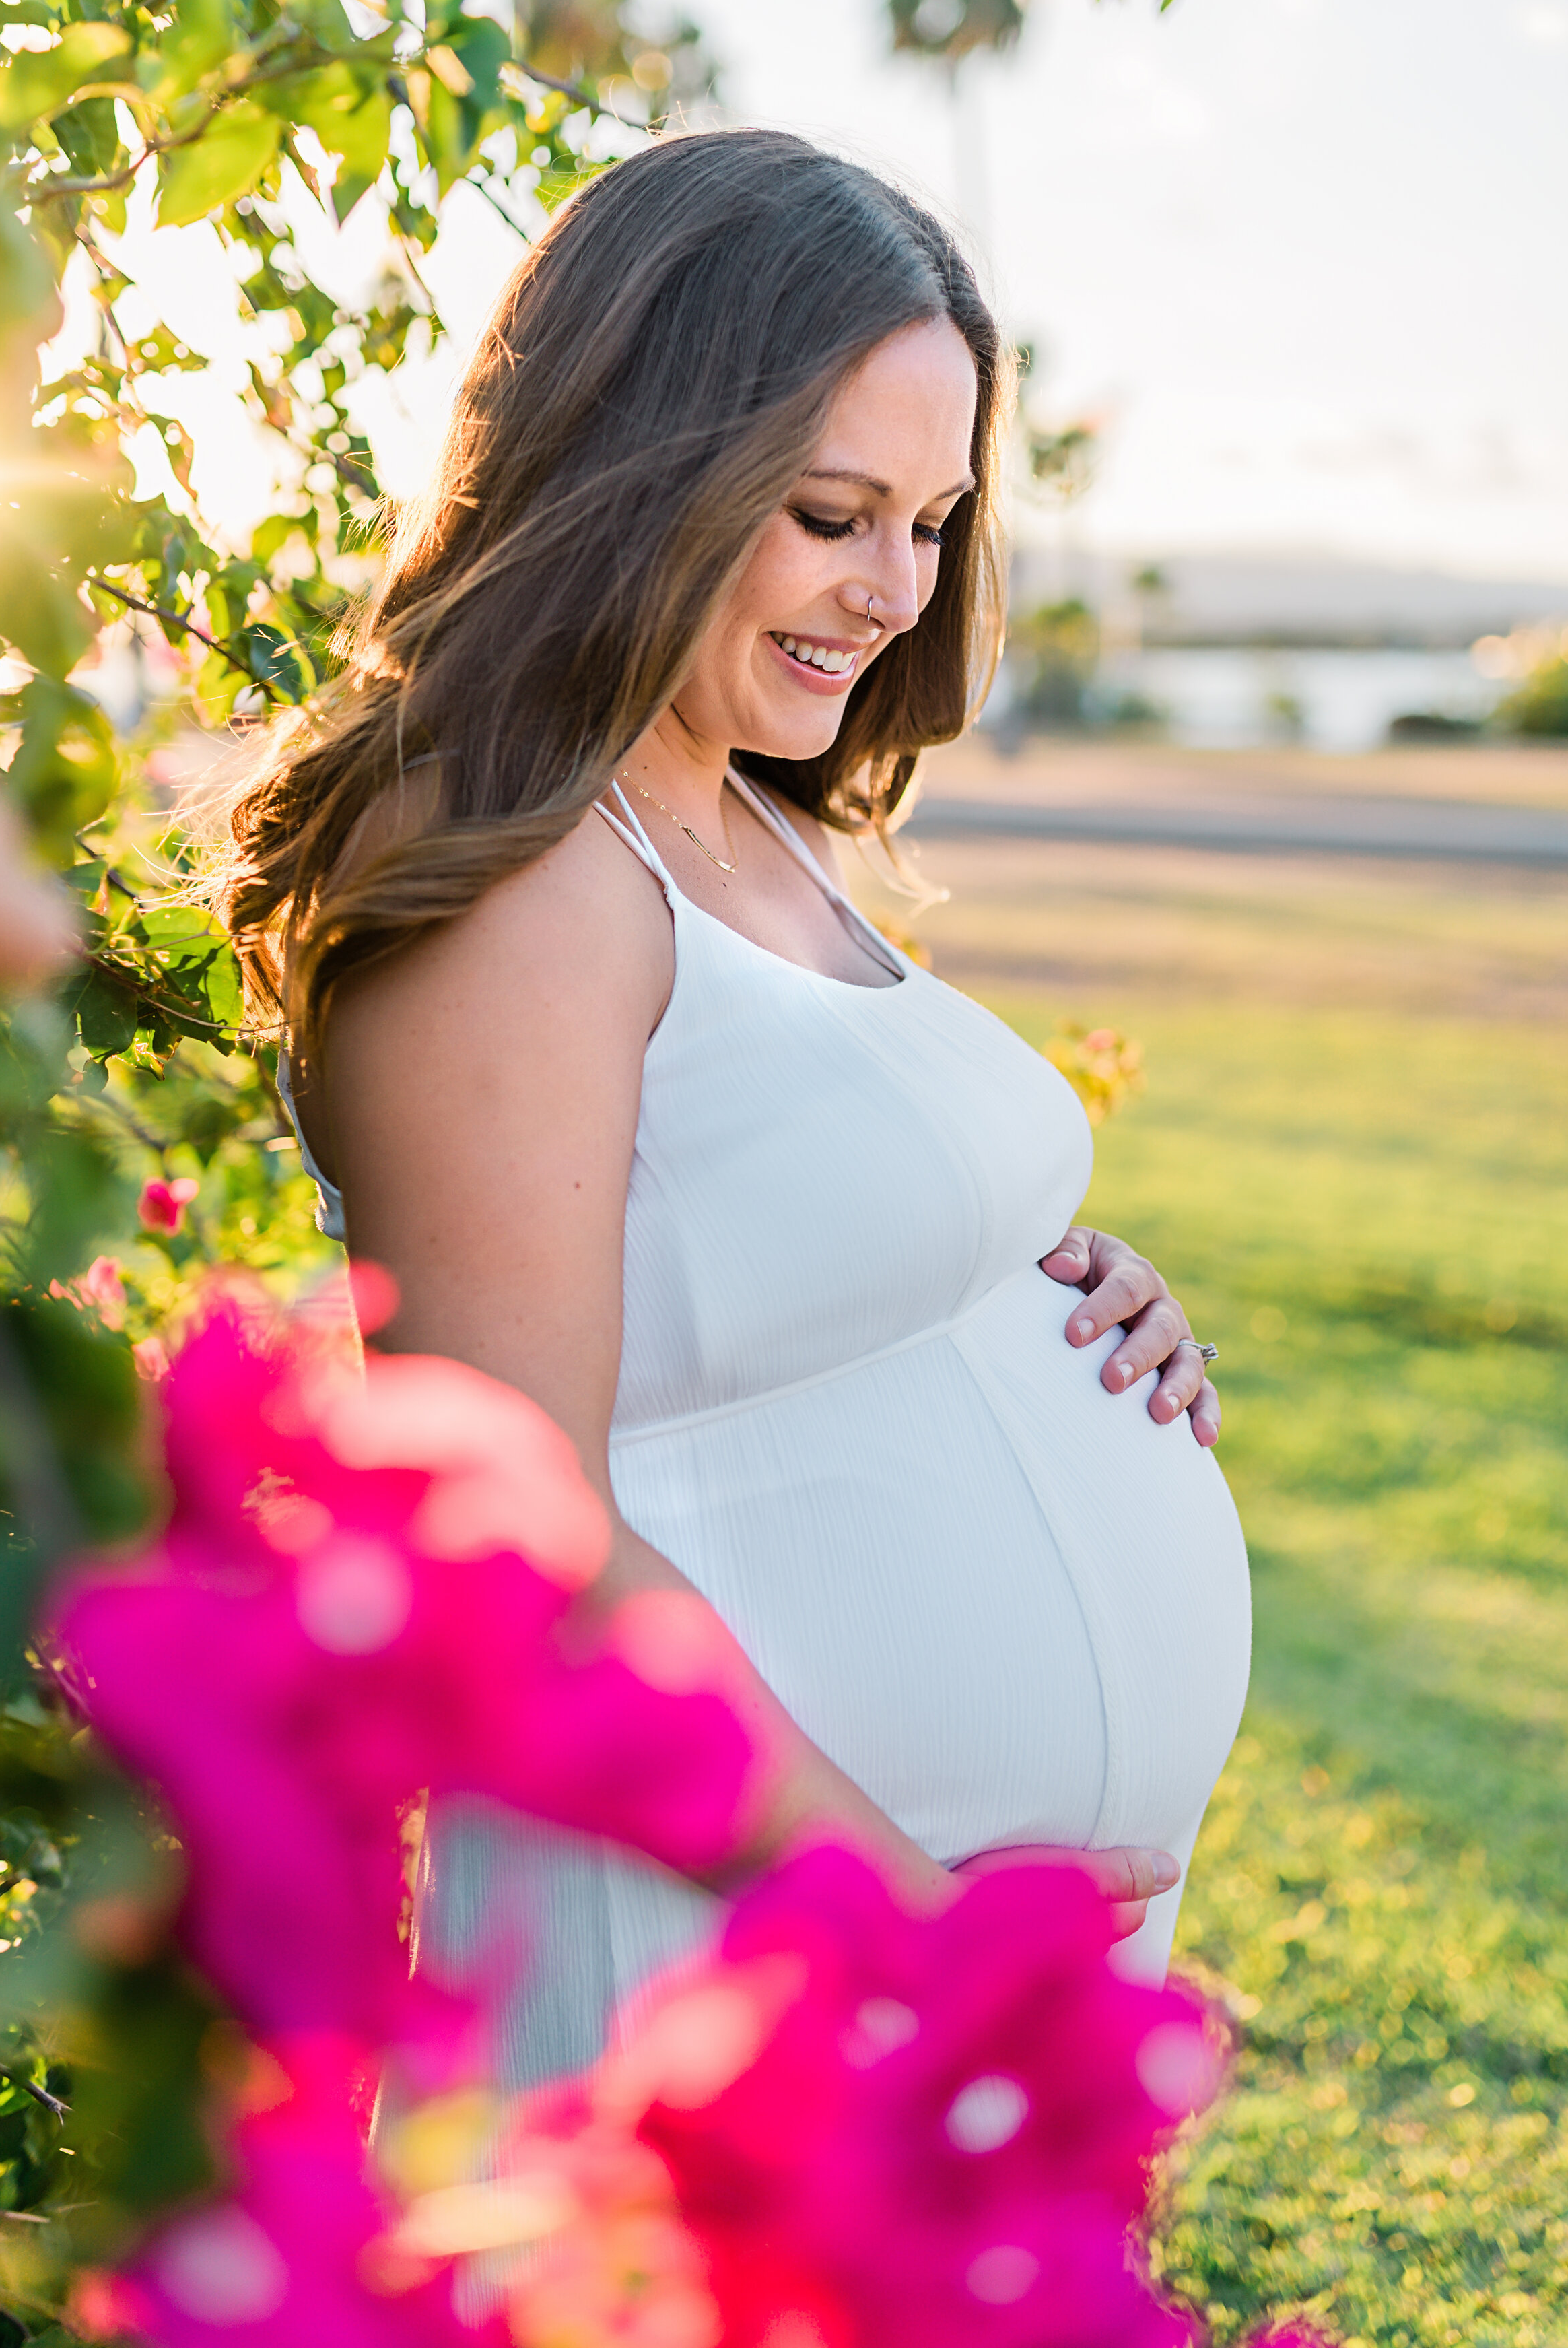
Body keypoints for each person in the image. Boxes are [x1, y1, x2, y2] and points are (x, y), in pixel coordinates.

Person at [218, 130, 1250, 2085]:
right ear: (643, 470)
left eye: (933, 522)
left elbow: (777, 1244)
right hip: (746, 1937)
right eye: (831, 512)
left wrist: (1068, 1299)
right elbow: (507, 1530)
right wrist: (927, 1943)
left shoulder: (747, 811)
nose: (891, 589)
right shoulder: (515, 868)